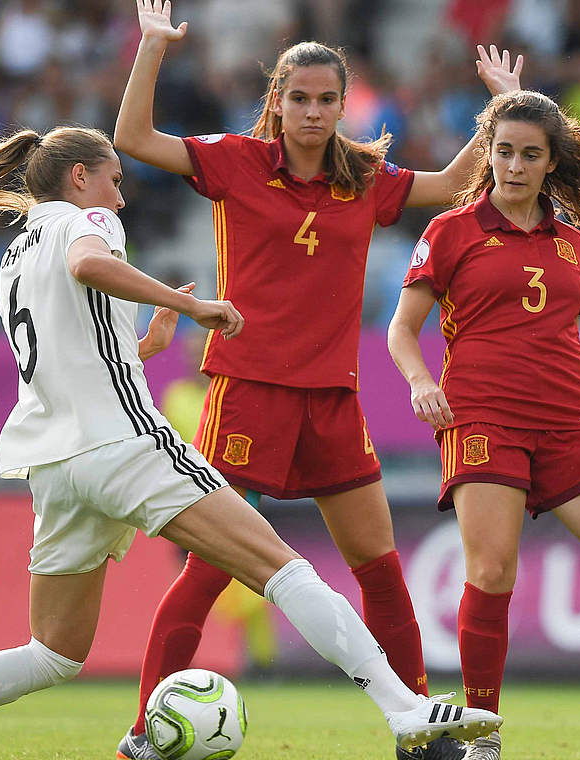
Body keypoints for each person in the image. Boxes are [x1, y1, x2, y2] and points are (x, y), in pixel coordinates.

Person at [0, 125, 501, 760]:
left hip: (54, 465)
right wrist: (192, 308)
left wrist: (143, 346)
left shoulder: (15, 254)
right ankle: (403, 708)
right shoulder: (87, 221)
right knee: (283, 567)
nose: (120, 197)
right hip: (123, 444)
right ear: (78, 178)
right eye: (113, 181)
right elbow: (91, 263)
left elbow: (74, 347)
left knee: (53, 652)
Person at [110, 3, 521, 758]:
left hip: (332, 399)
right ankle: (142, 735)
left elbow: (456, 185)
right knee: (209, 572)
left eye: (327, 99)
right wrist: (151, 48)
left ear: (342, 104)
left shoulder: (363, 176)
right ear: (278, 101)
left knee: (383, 573)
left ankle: (420, 733)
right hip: (248, 392)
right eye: (298, 98)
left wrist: (497, 107)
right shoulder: (235, 160)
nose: (312, 111)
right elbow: (131, 140)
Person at [388, 90, 580, 759]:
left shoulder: (574, 245)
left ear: (551, 163)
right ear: (487, 154)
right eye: (503, 151)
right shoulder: (450, 232)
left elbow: (552, 336)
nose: (513, 165)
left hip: (573, 416)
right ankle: (483, 737)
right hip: (483, 414)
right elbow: (402, 331)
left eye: (529, 154)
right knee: (491, 573)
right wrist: (420, 380)